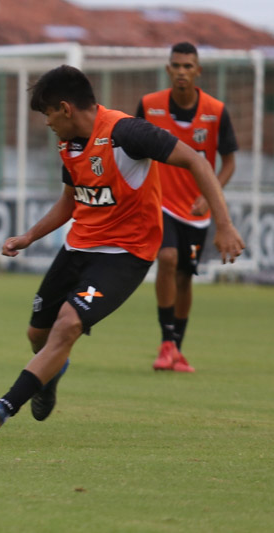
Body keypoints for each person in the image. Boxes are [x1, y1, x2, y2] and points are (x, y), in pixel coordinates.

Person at [0, 65, 244, 441]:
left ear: (65, 108)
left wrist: (224, 224)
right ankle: (49, 377)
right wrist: (29, 236)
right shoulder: (69, 144)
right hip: (78, 246)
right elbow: (71, 200)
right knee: (38, 334)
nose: (46, 122)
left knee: (67, 326)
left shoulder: (128, 132)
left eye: (48, 113)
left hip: (126, 254)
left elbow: (197, 161)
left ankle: (2, 409)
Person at [137, 42, 238, 373]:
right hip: (158, 201)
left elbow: (229, 163)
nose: (182, 71)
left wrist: (209, 196)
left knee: (185, 278)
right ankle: (166, 343)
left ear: (198, 71)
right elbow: (131, 148)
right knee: (167, 259)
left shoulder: (215, 111)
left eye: (188, 66)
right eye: (176, 65)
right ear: (168, 70)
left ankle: (176, 350)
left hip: (197, 211)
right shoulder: (149, 106)